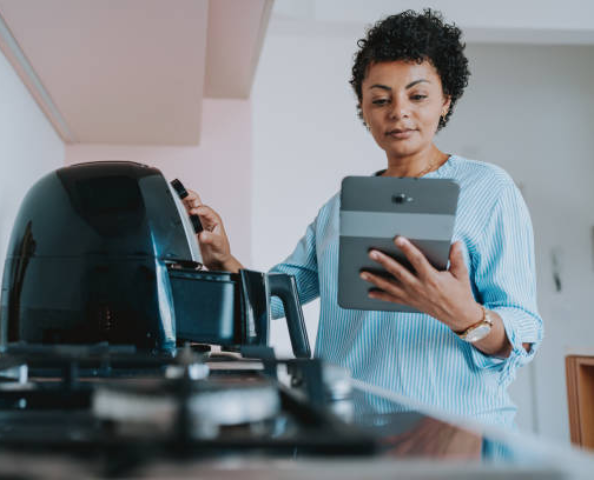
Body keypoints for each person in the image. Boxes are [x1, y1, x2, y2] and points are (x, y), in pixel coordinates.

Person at [183, 9, 543, 428]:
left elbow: (525, 331)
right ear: (363, 108)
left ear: (446, 100)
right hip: (349, 429)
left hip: (454, 432)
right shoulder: (339, 207)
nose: (399, 111)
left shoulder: (489, 189)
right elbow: (278, 299)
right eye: (380, 98)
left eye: (418, 95)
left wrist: (466, 316)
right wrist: (223, 259)